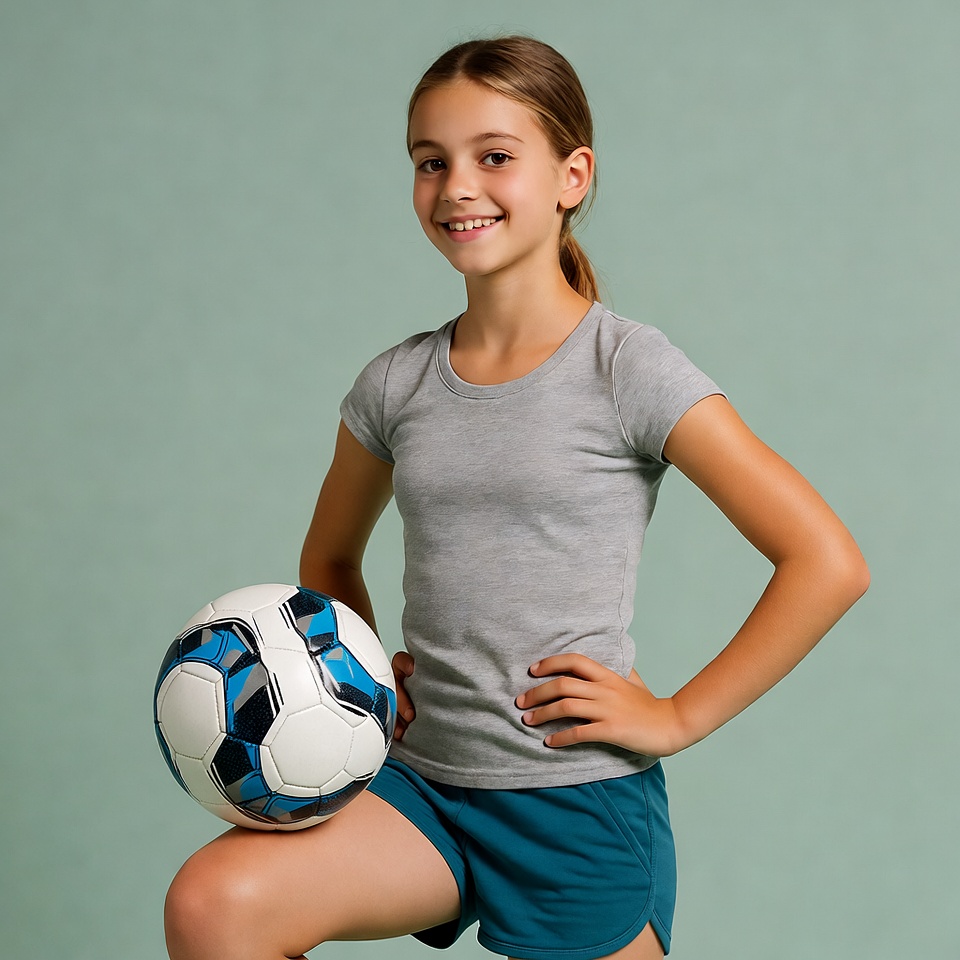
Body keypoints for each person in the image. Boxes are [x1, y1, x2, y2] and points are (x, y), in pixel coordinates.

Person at [164, 35, 869, 960]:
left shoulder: (629, 370)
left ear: (573, 175)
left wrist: (676, 717)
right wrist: (360, 677)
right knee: (215, 904)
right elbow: (329, 560)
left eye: (495, 157)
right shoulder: (397, 384)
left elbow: (827, 562)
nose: (458, 185)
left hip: (572, 803)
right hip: (420, 789)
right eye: (431, 161)